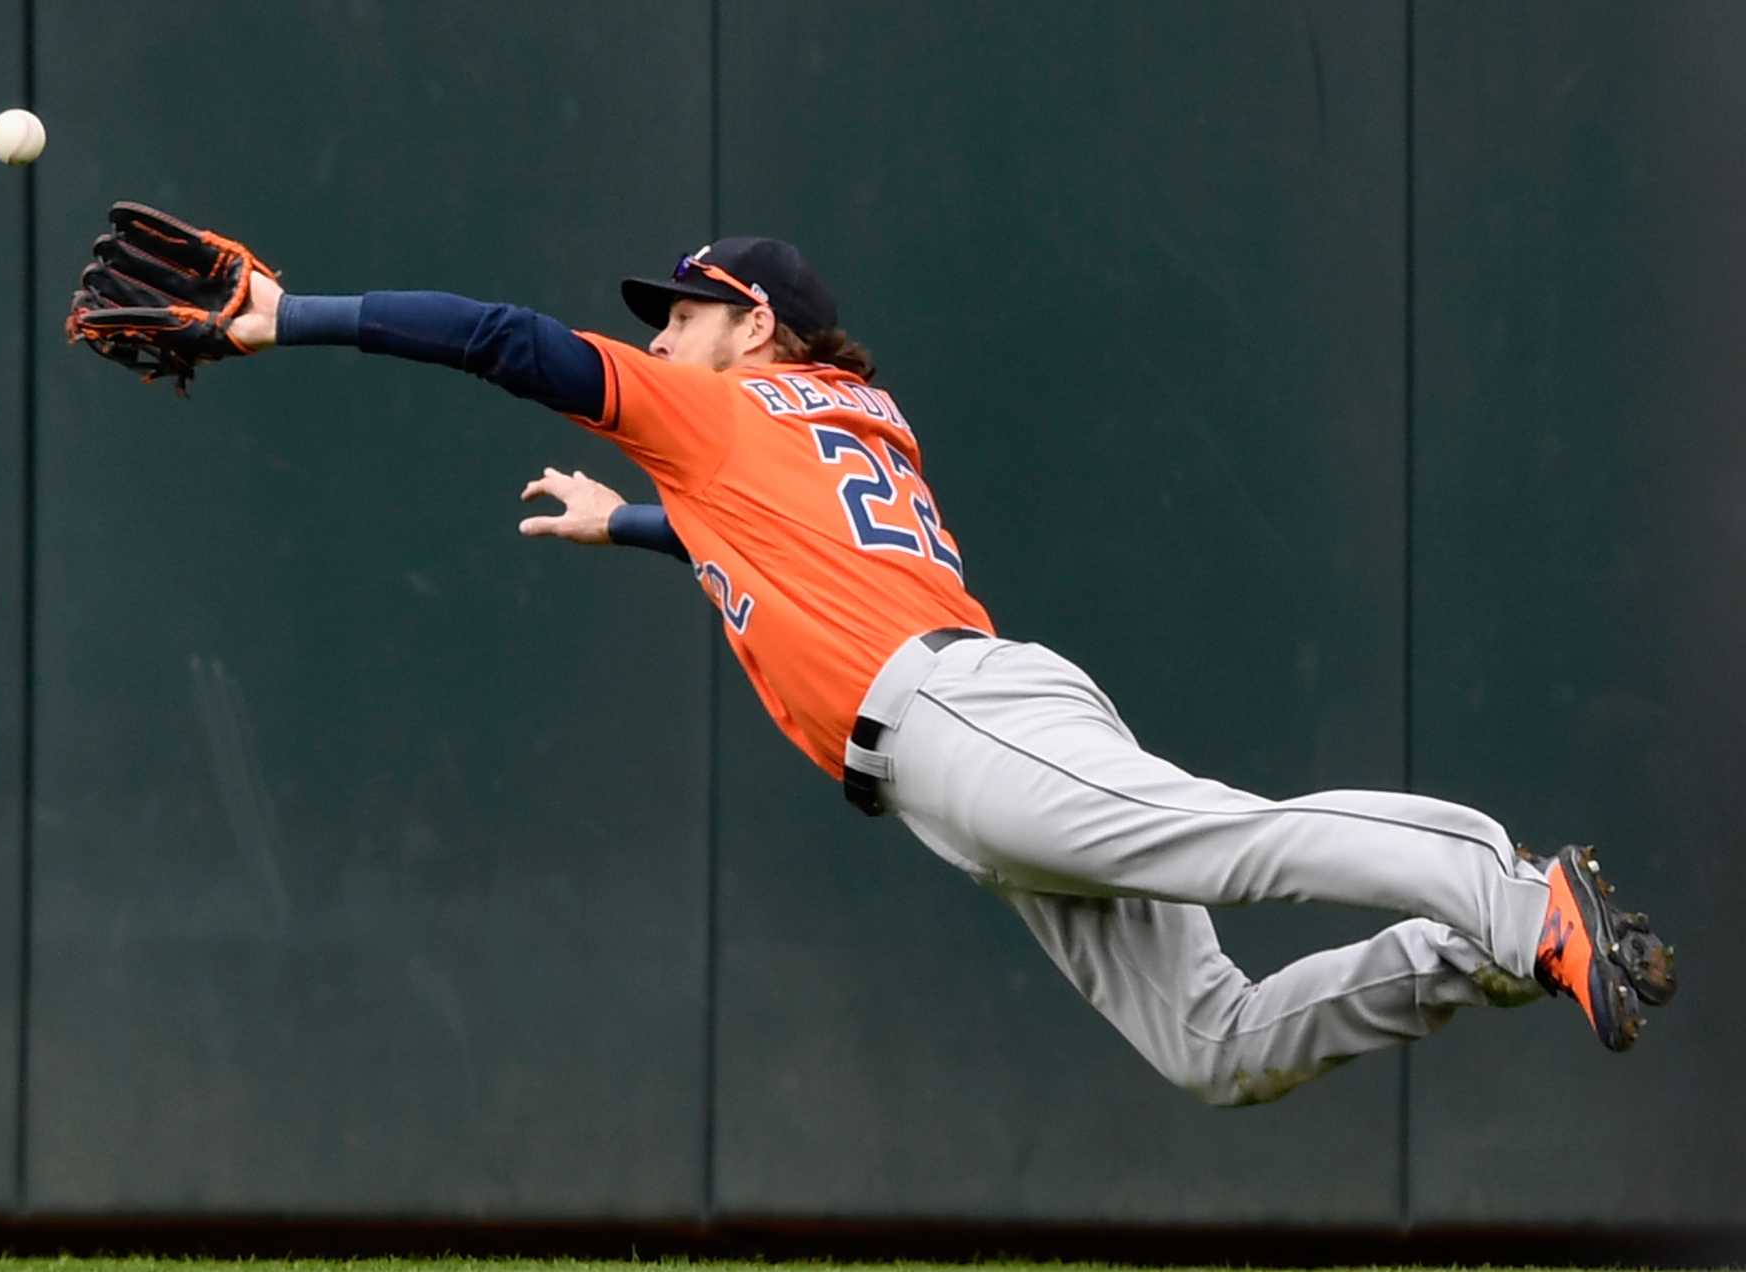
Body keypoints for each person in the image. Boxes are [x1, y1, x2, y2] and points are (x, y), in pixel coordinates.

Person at [220, 236, 1676, 1106]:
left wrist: (292, 317)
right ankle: (1484, 949)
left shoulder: (719, 413)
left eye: (685, 310)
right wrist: (640, 524)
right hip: (968, 720)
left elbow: (498, 340)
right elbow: (783, 543)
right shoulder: (846, 413)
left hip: (960, 721)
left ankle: (1509, 886)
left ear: (757, 327)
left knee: (1232, 839)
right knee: (1213, 1046)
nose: (662, 334)